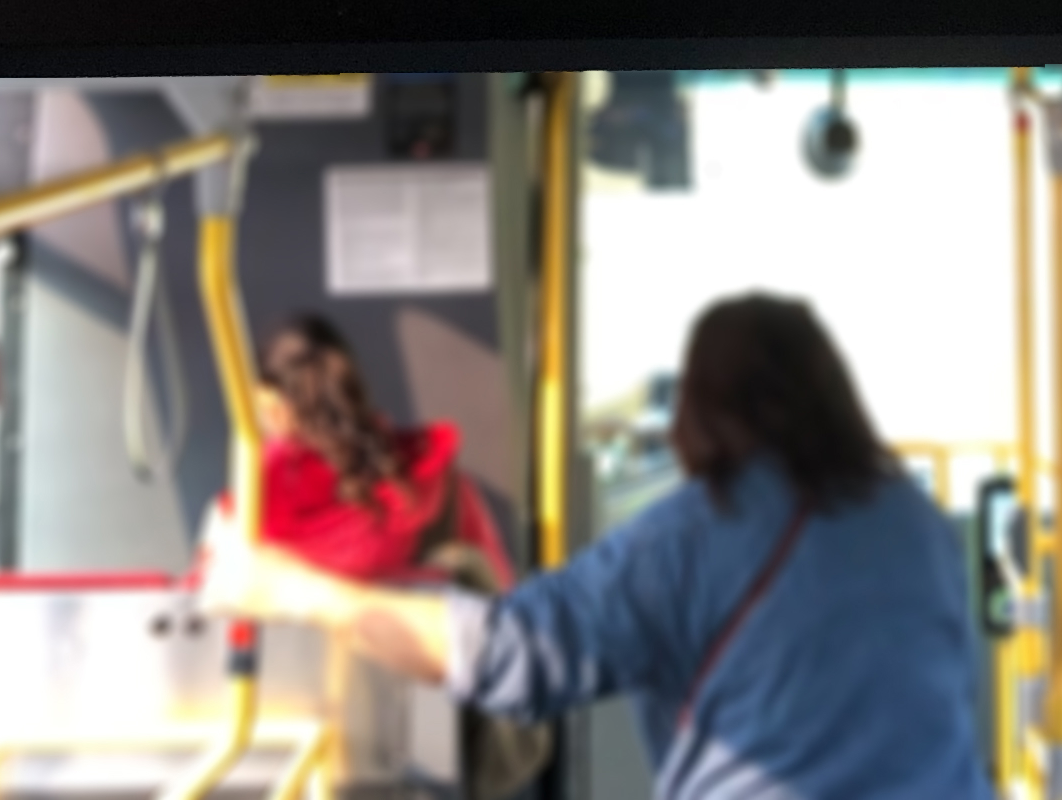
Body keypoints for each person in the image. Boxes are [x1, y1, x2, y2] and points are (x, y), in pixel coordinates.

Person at [208, 294, 995, 800]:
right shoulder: (918, 521)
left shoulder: (690, 537)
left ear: (699, 409)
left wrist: (288, 590)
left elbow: (504, 653)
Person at [251, 311, 513, 587]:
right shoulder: (444, 487)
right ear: (351, 387)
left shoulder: (253, 507)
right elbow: (502, 597)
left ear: (272, 407)